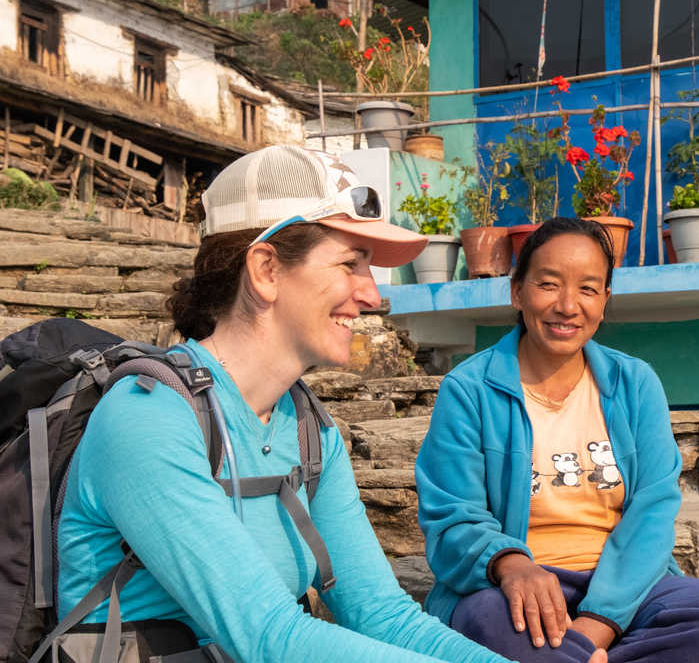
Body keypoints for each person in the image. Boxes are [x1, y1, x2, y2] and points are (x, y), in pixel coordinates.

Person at [55, 145, 513, 663]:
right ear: (267, 269)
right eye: (350, 264)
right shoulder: (147, 418)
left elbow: (381, 615)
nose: (372, 295)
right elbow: (270, 637)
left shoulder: (310, 432)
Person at [415, 218, 699, 663]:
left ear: (605, 300)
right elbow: (452, 519)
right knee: (484, 620)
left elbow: (653, 510)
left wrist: (596, 627)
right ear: (517, 292)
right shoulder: (469, 389)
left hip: (622, 586)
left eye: (588, 289)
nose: (567, 306)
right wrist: (513, 566)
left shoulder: (633, 383)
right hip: (515, 591)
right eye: (549, 284)